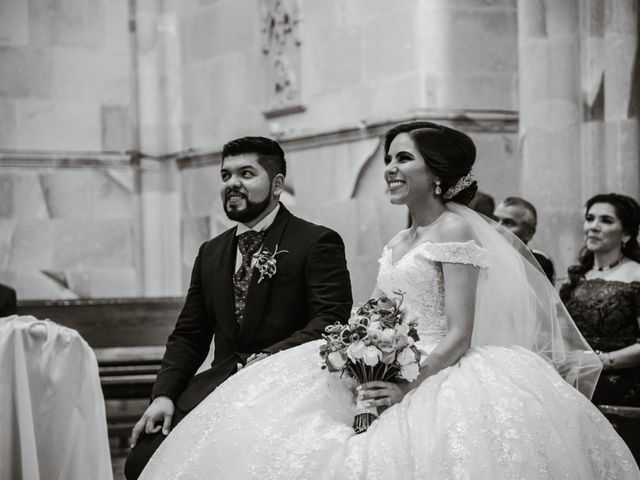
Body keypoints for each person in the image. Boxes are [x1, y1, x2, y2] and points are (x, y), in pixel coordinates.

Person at [139, 123, 639, 479]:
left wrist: (404, 386)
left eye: (404, 158)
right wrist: (352, 353)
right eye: (388, 159)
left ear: (436, 171)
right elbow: (375, 315)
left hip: (442, 369)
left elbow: (461, 333)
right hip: (387, 363)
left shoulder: (456, 228)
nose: (390, 169)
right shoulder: (400, 241)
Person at [124, 136, 353, 479]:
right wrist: (164, 395)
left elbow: (330, 319)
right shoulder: (211, 252)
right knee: (142, 461)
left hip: (288, 386)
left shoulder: (316, 242)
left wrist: (267, 360)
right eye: (226, 175)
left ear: (277, 185)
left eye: (246, 174)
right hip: (220, 384)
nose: (232, 183)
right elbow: (190, 333)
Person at [560, 193, 640, 460]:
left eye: (606, 220)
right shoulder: (576, 279)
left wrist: (601, 361)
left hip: (620, 378)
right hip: (574, 372)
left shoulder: (636, 276)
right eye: (590, 218)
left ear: (626, 233)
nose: (593, 226)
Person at [494, 196, 556, 283]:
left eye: (508, 223)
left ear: (529, 233)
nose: (496, 228)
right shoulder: (478, 256)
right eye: (495, 220)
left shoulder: (538, 263)